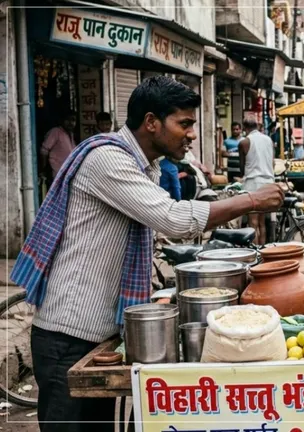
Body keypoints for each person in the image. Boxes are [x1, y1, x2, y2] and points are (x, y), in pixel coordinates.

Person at [10, 76, 284, 432]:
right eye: (183, 123)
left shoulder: (146, 166)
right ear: (151, 122)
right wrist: (252, 200)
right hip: (68, 337)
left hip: (98, 337)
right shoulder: (108, 159)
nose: (191, 134)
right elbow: (172, 219)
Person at [239, 117, 276, 245]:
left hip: (252, 184)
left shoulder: (244, 142)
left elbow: (242, 169)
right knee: (262, 222)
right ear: (258, 126)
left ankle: (255, 252)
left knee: (252, 223)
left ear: (245, 128)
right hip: (268, 183)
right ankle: (262, 251)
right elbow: (272, 163)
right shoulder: (268, 140)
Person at [40, 109, 77, 182]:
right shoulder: (55, 132)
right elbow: (44, 151)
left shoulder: (71, 134)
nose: (70, 123)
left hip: (68, 174)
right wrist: (43, 170)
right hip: (57, 173)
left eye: (73, 120)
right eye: (67, 120)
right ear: (62, 120)